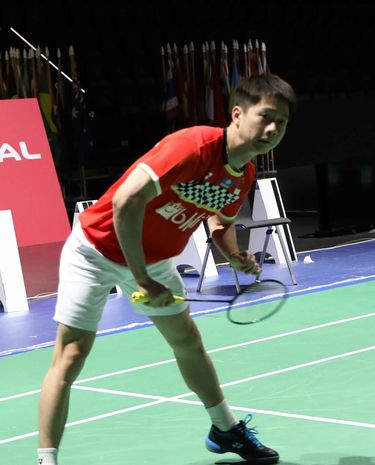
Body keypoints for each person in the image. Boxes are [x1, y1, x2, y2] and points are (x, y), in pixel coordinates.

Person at [37, 74, 295, 464]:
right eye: (266, 116)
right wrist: (141, 278)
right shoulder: (191, 146)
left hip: (152, 260)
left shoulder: (243, 174)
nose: (273, 129)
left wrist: (235, 254)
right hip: (95, 250)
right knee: (71, 355)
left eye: (283, 123)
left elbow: (219, 221)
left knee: (187, 341)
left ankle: (224, 430)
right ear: (238, 114)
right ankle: (46, 459)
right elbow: (125, 203)